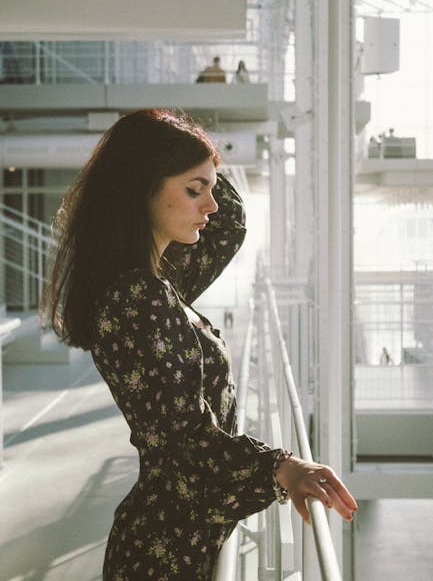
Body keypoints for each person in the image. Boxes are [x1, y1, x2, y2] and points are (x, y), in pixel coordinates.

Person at [41, 109, 357, 580]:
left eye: (210, 187)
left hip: (176, 540)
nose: (210, 204)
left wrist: (194, 151)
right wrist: (283, 468)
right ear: (140, 188)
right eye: (194, 190)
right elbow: (184, 445)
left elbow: (228, 223)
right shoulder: (137, 298)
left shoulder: (157, 281)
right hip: (164, 555)